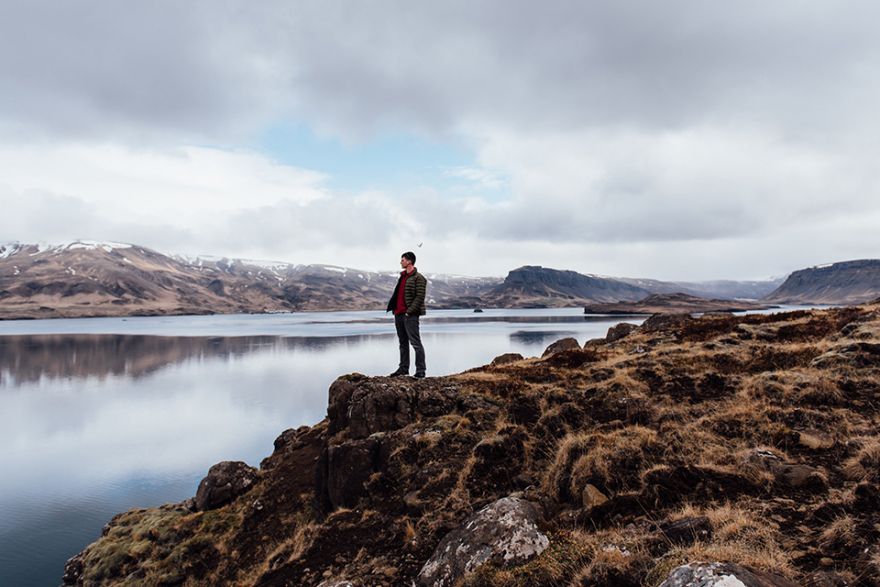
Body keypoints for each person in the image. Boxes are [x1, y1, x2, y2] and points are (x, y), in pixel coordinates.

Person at [387, 251, 427, 378]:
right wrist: (395, 310)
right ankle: (403, 369)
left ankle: (421, 370)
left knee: (415, 343)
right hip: (398, 314)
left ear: (409, 261)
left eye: (402, 260)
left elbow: (419, 297)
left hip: (410, 315)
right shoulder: (402, 276)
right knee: (403, 343)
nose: (401, 262)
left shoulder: (419, 278)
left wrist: (409, 312)